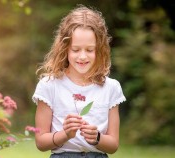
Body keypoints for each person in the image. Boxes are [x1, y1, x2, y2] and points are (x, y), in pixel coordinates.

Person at [32, 5, 126, 158]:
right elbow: (41, 142)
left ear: (100, 50)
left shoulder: (111, 88)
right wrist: (65, 134)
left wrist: (97, 138)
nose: (82, 56)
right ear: (65, 49)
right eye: (75, 50)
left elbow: (113, 145)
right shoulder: (49, 85)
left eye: (90, 50)